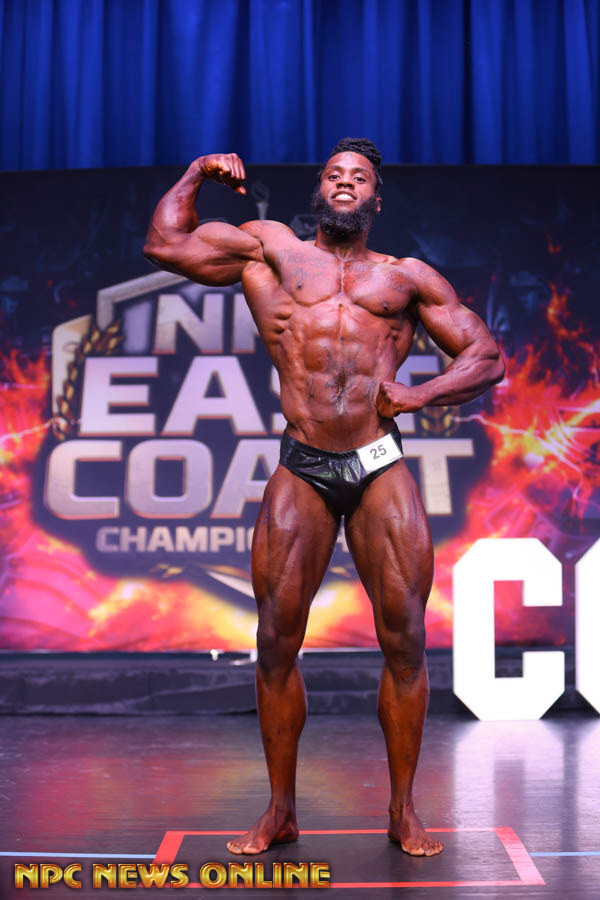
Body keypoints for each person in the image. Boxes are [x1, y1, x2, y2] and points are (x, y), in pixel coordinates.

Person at [143, 138, 505, 857]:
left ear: (376, 198)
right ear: (320, 189)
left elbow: (486, 356)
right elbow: (164, 244)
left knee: (405, 639)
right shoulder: (268, 251)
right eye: (335, 174)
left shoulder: (406, 278)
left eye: (359, 177)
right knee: (275, 640)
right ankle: (280, 809)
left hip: (377, 463)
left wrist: (423, 393)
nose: (345, 183)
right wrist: (195, 174)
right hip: (304, 462)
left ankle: (403, 810)